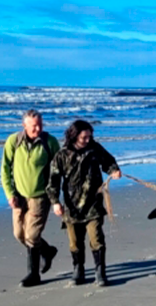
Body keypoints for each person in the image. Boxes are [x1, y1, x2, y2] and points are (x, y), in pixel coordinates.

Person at [47, 120, 121, 286]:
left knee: (96, 238)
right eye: (84, 137)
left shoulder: (95, 149)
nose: (88, 140)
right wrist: (55, 202)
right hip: (71, 207)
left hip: (93, 203)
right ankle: (78, 270)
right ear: (74, 136)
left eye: (90, 136)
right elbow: (53, 181)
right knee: (75, 241)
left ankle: (100, 272)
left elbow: (108, 161)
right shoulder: (62, 155)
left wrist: (114, 170)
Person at [0, 109, 60, 287]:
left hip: (40, 197)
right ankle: (47, 251)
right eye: (34, 125)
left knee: (32, 236)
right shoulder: (13, 141)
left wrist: (55, 197)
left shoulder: (50, 142)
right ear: (24, 125)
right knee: (19, 234)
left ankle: (33, 274)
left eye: (40, 124)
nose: (38, 128)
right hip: (19, 197)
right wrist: (10, 194)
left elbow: (58, 170)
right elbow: (5, 169)